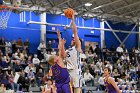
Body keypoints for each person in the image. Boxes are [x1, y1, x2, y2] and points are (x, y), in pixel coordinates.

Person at [64, 13, 83, 93]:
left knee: (76, 90)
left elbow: (75, 32)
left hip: (76, 71)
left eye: (75, 39)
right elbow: (62, 56)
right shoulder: (68, 50)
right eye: (73, 39)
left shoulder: (77, 48)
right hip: (68, 71)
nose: (73, 39)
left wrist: (73, 20)